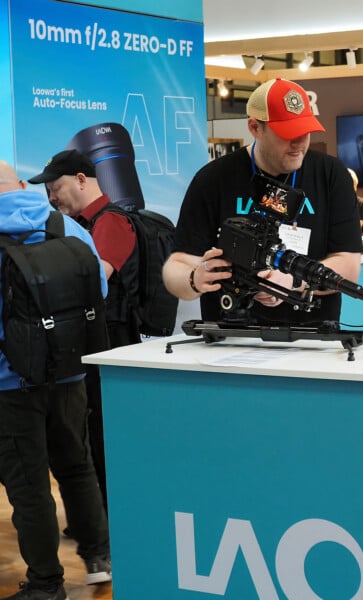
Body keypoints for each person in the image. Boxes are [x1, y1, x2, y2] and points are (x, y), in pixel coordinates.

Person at [162, 78, 363, 327]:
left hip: (312, 340)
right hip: (230, 339)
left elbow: (349, 265)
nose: (300, 142)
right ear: (255, 127)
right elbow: (175, 266)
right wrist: (194, 278)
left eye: (305, 131)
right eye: (289, 134)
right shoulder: (213, 179)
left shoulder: (331, 175)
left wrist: (293, 280)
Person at [0, 161, 112, 600]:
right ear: (24, 185)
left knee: (29, 486)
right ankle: (99, 556)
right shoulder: (66, 226)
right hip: (70, 370)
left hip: (10, 381)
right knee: (76, 465)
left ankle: (46, 583)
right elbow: (97, 291)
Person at [27, 149, 141, 514]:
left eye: (56, 187)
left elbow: (96, 280)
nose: (51, 197)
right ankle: (93, 519)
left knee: (102, 438)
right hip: (89, 348)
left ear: (81, 179)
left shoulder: (111, 223)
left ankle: (109, 521)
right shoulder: (77, 228)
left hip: (109, 349)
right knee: (85, 437)